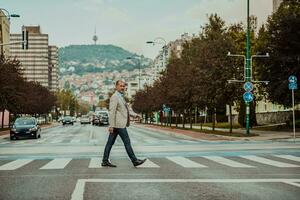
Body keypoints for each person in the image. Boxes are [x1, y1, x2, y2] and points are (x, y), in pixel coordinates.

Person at [101, 80, 146, 167]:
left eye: (123, 86)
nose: (123, 88)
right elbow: (112, 111)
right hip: (118, 125)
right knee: (127, 142)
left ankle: (105, 160)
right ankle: (134, 160)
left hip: (118, 125)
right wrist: (111, 125)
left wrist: (136, 115)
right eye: (121, 86)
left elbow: (127, 110)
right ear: (116, 86)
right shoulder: (115, 97)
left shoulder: (121, 97)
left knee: (109, 143)